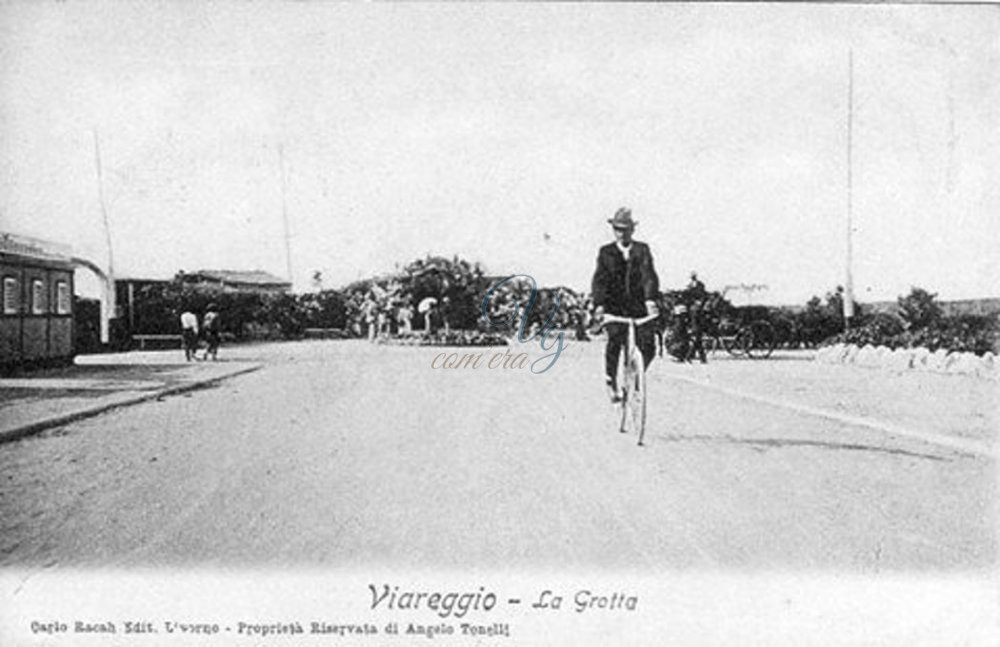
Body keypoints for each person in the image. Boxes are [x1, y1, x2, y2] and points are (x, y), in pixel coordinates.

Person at [591, 207, 661, 402]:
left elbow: (649, 275)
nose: (623, 233)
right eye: (619, 229)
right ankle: (611, 380)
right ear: (614, 230)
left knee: (648, 345)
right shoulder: (606, 252)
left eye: (626, 229)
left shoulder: (642, 250)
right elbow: (600, 280)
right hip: (614, 308)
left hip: (639, 306)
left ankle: (637, 375)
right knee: (615, 339)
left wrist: (650, 300)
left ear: (633, 230)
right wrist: (600, 304)